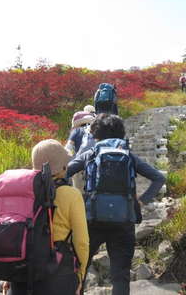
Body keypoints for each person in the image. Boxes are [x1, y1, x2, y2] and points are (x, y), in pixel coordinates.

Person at [66, 114, 166, 295]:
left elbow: (64, 173)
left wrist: (72, 201)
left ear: (96, 134)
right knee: (120, 275)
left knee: (79, 269)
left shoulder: (90, 153)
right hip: (123, 222)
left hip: (92, 220)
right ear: (121, 133)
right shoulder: (129, 156)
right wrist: (141, 201)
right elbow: (159, 178)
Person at [7, 139, 89, 295]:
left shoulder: (23, 191)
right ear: (64, 166)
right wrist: (80, 275)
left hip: (20, 275)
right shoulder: (71, 195)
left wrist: (9, 277)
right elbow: (82, 242)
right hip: (57, 276)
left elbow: (16, 233)